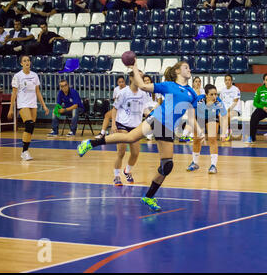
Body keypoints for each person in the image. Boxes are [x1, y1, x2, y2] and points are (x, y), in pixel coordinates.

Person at [77, 60, 199, 212]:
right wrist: (134, 68)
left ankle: (149, 196)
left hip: (168, 128)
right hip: (157, 118)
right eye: (186, 67)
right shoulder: (169, 85)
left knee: (167, 165)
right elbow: (143, 86)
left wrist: (199, 131)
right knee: (130, 138)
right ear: (177, 72)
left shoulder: (192, 93)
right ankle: (91, 143)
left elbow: (192, 116)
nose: (189, 69)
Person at [111, 71, 152, 187]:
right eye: (138, 76)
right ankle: (117, 176)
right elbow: (114, 109)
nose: (141, 79)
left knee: (135, 153)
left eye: (142, 77)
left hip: (136, 126)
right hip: (122, 125)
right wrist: (114, 124)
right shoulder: (123, 92)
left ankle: (127, 171)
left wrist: (151, 117)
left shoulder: (143, 93)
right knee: (121, 152)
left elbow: (145, 110)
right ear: (131, 78)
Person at [7, 55, 49, 161]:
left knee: (31, 128)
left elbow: (37, 92)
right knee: (29, 124)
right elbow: (14, 93)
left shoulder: (34, 75)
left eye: (28, 60)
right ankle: (24, 151)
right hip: (23, 104)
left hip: (32, 104)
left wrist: (44, 105)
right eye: (24, 61)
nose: (27, 62)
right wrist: (11, 109)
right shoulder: (18, 76)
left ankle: (25, 151)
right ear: (21, 63)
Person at [187, 84, 228, 174]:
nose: (214, 97)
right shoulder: (198, 100)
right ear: (206, 95)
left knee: (212, 139)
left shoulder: (218, 102)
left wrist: (223, 133)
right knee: (196, 139)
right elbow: (191, 116)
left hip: (212, 117)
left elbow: (224, 117)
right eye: (211, 94)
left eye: (216, 94)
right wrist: (198, 129)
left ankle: (213, 165)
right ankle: (195, 163)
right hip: (199, 117)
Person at [219, 74, 242, 139]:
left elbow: (235, 101)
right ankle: (226, 131)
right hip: (225, 110)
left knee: (226, 115)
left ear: (231, 81)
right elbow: (221, 101)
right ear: (224, 81)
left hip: (234, 110)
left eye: (229, 80)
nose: (227, 81)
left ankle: (224, 134)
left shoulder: (236, 89)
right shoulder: (222, 90)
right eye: (226, 80)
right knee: (220, 115)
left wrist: (228, 109)